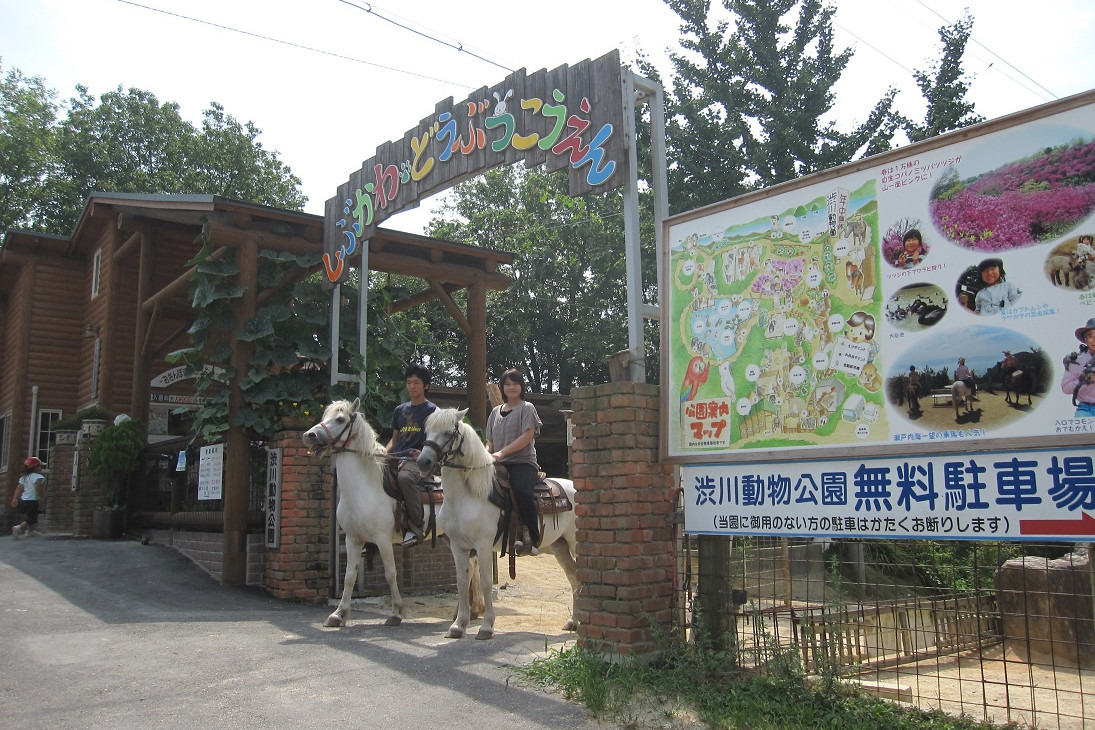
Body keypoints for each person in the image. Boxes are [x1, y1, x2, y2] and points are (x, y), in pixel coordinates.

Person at [486, 369, 542, 556]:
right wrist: (485, 455)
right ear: (502, 387)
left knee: (522, 491)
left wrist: (501, 453)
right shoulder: (495, 412)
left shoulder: (527, 408)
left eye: (515, 383)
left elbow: (526, 437)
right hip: (498, 463)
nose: (511, 387)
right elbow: (490, 442)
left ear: (522, 386)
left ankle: (533, 538)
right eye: (507, 384)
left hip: (522, 463)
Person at [386, 364, 437, 547]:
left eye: (416, 383)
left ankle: (416, 527)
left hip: (418, 461)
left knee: (405, 478)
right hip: (397, 457)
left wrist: (422, 454)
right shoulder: (400, 410)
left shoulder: (432, 410)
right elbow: (394, 440)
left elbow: (435, 441)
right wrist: (383, 453)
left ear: (426, 386)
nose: (411, 386)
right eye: (409, 382)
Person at [1061, 317, 1095, 417]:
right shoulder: (1076, 361)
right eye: (1090, 336)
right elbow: (1066, 389)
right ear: (1085, 339)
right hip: (1087, 410)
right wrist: (1084, 381)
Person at [11, 456, 44, 539]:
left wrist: (15, 498)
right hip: (32, 500)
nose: (41, 468)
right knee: (32, 517)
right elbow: (38, 488)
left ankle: (30, 531)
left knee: (30, 516)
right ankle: (18, 528)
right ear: (35, 467)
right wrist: (40, 497)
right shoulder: (38, 477)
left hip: (24, 500)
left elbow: (19, 488)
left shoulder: (24, 477)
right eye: (40, 466)